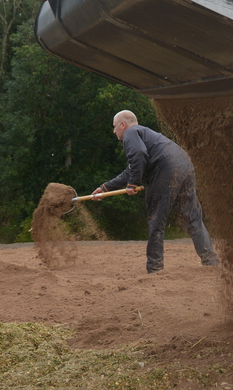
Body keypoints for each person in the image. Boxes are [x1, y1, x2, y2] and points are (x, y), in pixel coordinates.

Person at [93, 110, 219, 274]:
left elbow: (138, 154)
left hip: (165, 169)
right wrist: (105, 188)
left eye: (114, 127)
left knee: (156, 221)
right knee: (193, 218)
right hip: (184, 164)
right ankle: (211, 261)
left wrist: (133, 183)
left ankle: (155, 268)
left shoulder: (131, 133)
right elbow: (131, 169)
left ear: (122, 125)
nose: (114, 131)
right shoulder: (147, 136)